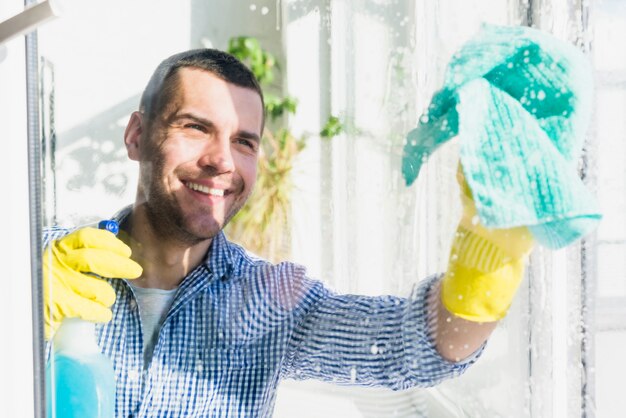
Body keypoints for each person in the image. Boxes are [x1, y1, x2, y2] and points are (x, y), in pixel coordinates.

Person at [43, 49, 533, 417]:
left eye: (244, 142)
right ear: (136, 136)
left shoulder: (270, 305)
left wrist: (492, 244)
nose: (222, 160)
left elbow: (414, 350)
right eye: (195, 127)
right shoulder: (39, 268)